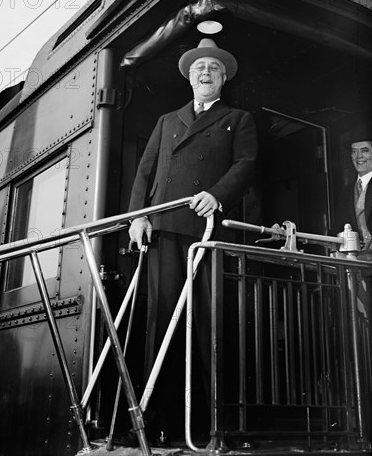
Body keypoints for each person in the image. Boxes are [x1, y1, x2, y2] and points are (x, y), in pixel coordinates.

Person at [127, 38, 258, 443]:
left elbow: (246, 164)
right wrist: (138, 217)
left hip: (207, 233)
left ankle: (212, 425)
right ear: (189, 77)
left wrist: (217, 194)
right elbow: (145, 173)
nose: (205, 73)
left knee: (209, 325)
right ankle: (159, 422)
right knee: (162, 323)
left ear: (223, 80)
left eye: (213, 70)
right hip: (165, 230)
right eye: (199, 68)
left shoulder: (238, 117)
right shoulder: (167, 121)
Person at [335, 136, 372, 250]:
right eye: (354, 152)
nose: (359, 156)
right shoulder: (345, 192)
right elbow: (337, 227)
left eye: (365, 151)